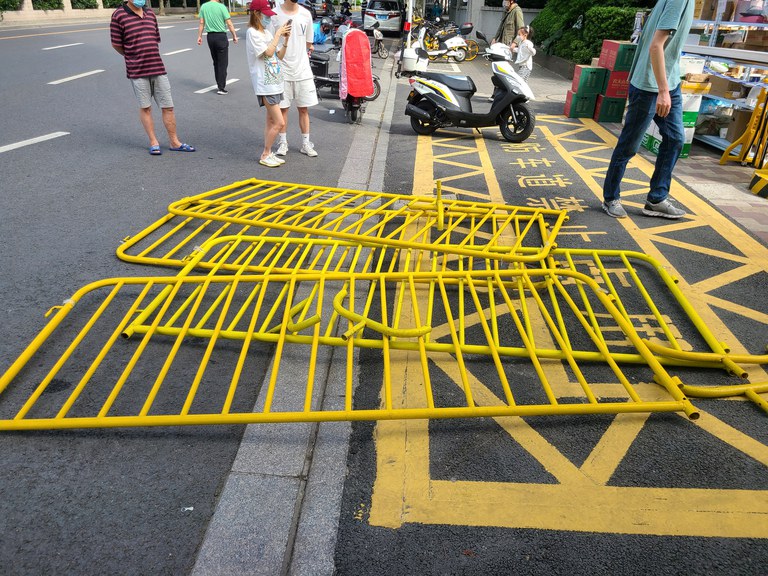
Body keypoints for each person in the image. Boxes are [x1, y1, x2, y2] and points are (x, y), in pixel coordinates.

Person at [601, 0, 694, 219]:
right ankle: (610, 197)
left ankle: (657, 199)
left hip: (670, 82)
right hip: (650, 86)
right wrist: (662, 91)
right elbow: (655, 45)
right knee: (629, 145)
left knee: (675, 139)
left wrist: (667, 87)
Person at [110, 0, 196, 155]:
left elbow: (155, 39)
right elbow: (116, 44)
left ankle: (174, 142)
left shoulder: (150, 14)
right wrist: (131, 56)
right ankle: (153, 141)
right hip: (137, 70)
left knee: (168, 106)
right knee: (146, 107)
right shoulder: (118, 15)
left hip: (157, 67)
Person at [270, 0, 320, 157]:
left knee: (303, 109)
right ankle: (283, 143)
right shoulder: (274, 15)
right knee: (283, 109)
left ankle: (306, 144)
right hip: (282, 70)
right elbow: (270, 41)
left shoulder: (305, 14)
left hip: (302, 71)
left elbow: (309, 42)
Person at [246, 0, 292, 167]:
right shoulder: (253, 33)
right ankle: (265, 154)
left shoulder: (265, 33)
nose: (269, 19)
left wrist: (285, 40)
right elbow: (268, 52)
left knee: (271, 122)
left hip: (275, 82)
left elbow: (278, 55)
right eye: (266, 15)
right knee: (279, 123)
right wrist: (278, 34)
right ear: (257, 14)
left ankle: (269, 152)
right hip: (265, 84)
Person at [197, 0, 239, 95]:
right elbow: (229, 23)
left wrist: (199, 36)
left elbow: (201, 23)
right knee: (222, 63)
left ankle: (219, 84)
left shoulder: (204, 6)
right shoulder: (221, 7)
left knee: (216, 62)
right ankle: (221, 87)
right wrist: (234, 36)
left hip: (210, 37)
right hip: (221, 37)